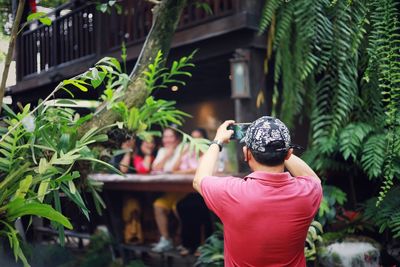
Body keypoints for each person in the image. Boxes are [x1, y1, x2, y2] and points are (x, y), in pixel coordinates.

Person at [193, 116, 323, 266]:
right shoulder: (307, 192)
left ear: (246, 153)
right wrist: (278, 148)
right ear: (288, 154)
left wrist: (217, 141)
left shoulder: (232, 192)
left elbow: (199, 179)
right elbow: (311, 177)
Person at [174, 128, 213, 256]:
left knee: (198, 208)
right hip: (191, 190)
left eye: (198, 137)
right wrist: (182, 153)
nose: (195, 141)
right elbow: (174, 170)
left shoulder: (210, 153)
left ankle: (203, 246)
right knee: (183, 206)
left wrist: (187, 171)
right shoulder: (189, 153)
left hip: (206, 190)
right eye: (192, 137)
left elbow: (200, 171)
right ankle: (189, 244)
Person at [111, 137, 157, 244]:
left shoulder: (141, 152)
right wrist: (127, 152)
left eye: (131, 139)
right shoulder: (120, 153)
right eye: (126, 139)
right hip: (124, 193)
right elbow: (124, 169)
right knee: (131, 212)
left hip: (145, 190)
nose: (129, 142)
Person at [151, 127, 184, 252]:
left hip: (184, 190)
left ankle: (182, 240)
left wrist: (174, 154)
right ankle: (166, 240)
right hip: (170, 191)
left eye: (170, 136)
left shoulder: (183, 148)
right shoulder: (162, 151)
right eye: (165, 136)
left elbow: (176, 169)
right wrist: (166, 156)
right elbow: (154, 168)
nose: (167, 139)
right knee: (158, 205)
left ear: (177, 139)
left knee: (178, 207)